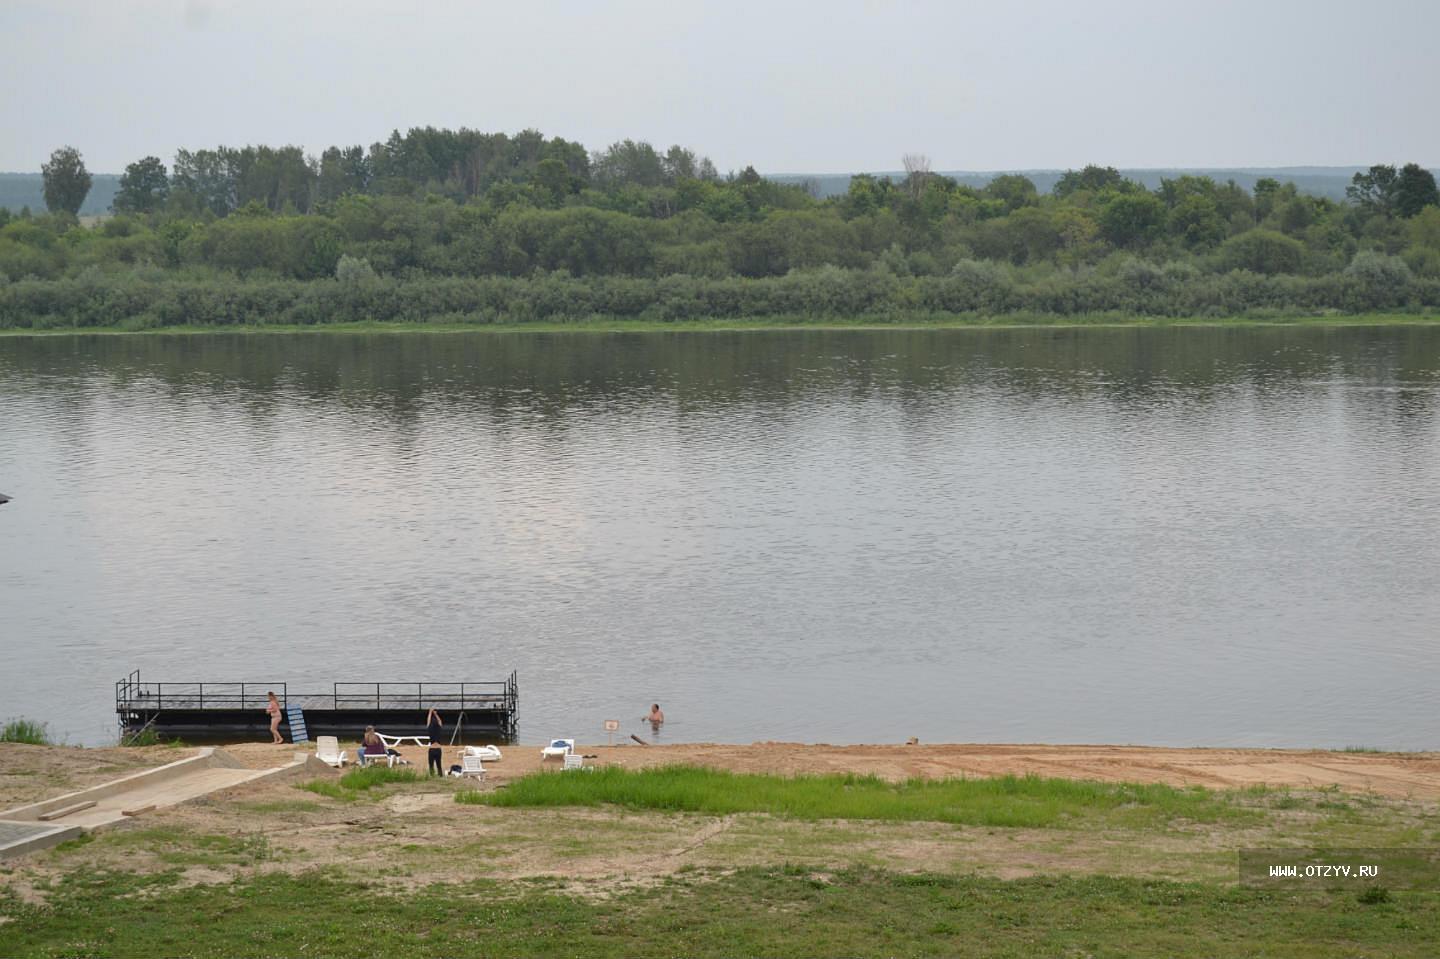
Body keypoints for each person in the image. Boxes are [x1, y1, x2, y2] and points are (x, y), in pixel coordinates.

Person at [426, 708, 444, 776]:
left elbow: (428, 720)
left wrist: (430, 712)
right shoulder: (439, 728)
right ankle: (440, 775)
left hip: (432, 749)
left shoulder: (430, 728)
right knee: (439, 765)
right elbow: (440, 720)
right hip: (438, 749)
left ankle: (432, 776)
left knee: (431, 765)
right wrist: (436, 714)